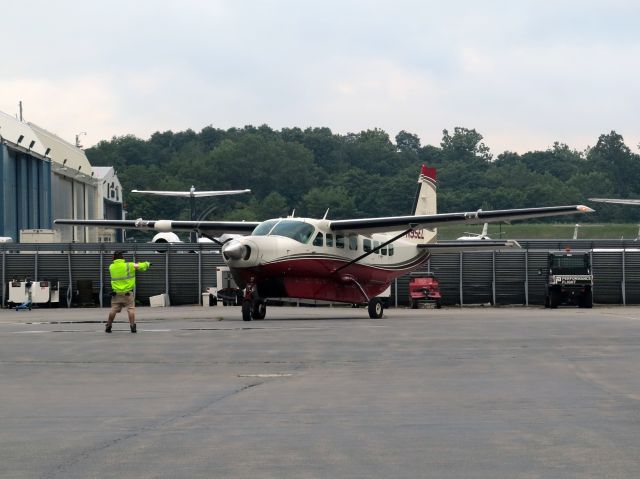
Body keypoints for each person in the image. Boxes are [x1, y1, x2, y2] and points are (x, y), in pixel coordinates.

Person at [105, 251, 150, 333]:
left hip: (116, 294)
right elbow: (140, 266)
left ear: (113, 258)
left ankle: (109, 325)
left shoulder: (111, 267)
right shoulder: (129, 265)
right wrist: (147, 263)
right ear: (123, 257)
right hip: (127, 293)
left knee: (113, 310)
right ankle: (132, 326)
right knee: (130, 309)